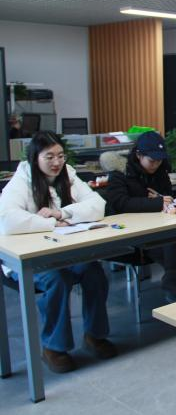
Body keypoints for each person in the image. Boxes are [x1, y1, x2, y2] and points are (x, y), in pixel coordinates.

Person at [0, 131, 115, 373]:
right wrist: (51, 223)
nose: (57, 162)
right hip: (26, 257)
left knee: (94, 271)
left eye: (61, 156)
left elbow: (98, 205)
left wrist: (63, 213)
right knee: (57, 279)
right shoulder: (21, 181)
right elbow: (8, 220)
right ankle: (54, 347)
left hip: (61, 251)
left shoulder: (68, 174)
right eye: (49, 157)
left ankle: (95, 335)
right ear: (35, 158)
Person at [104, 131, 176, 301]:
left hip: (157, 225)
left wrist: (159, 198)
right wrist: (155, 202)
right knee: (172, 245)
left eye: (159, 160)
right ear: (138, 155)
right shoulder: (120, 173)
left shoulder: (160, 171)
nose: (156, 164)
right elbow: (121, 203)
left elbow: (167, 195)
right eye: (152, 160)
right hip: (128, 232)